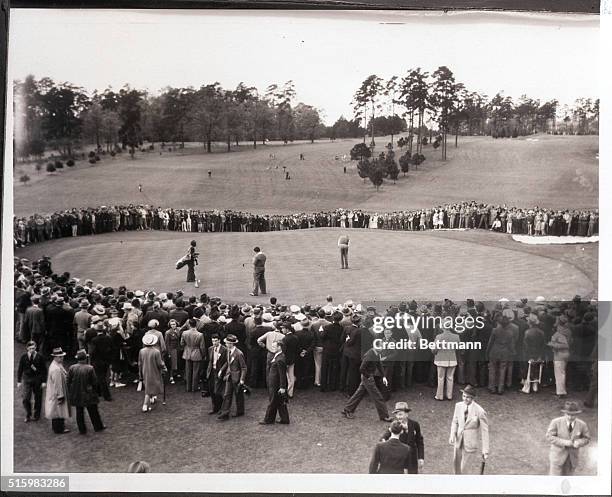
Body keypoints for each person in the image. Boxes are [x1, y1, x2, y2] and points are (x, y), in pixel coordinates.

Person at [341, 346, 392, 421]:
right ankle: (384, 416)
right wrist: (368, 377)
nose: (383, 349)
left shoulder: (376, 353)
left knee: (358, 394)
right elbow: (361, 368)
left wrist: (383, 377)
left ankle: (347, 409)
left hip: (367, 377)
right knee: (378, 397)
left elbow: (379, 365)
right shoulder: (370, 355)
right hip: (367, 377)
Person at [449, 385, 489, 474]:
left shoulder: (480, 411)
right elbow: (454, 421)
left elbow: (485, 432)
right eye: (463, 396)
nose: (465, 399)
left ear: (473, 398)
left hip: (470, 444)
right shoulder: (458, 406)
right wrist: (452, 434)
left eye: (468, 397)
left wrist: (485, 450)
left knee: (464, 470)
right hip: (458, 441)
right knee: (456, 467)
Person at [546, 401, 591, 475]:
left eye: (573, 415)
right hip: (557, 457)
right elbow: (549, 436)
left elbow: (586, 438)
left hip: (572, 459)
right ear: (564, 413)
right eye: (568, 414)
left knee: (568, 480)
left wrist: (579, 442)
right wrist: (565, 442)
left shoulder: (582, 424)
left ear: (577, 414)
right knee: (554, 480)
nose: (570, 417)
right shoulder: (555, 422)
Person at [67, 349, 106, 434]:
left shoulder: (72, 368)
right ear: (85, 358)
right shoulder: (90, 368)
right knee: (93, 411)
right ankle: (98, 426)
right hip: (88, 393)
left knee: (79, 412)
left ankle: (82, 429)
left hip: (77, 393)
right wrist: (97, 392)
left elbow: (68, 381)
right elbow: (95, 382)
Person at [380, 402, 425, 474]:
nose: (398, 417)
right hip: (398, 460)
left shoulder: (415, 425)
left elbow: (419, 442)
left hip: (411, 459)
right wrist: (384, 442)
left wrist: (421, 457)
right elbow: (383, 438)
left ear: (407, 414)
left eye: (400, 414)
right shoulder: (394, 425)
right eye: (396, 414)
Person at [259, 336, 290, 425]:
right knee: (280, 401)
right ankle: (284, 419)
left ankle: (268, 419)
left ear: (279, 347)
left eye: (274, 346)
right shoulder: (279, 356)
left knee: (272, 402)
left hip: (276, 384)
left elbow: (282, 374)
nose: (272, 348)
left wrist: (282, 387)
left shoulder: (280, 359)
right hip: (275, 383)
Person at [217, 334, 247, 421]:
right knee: (227, 394)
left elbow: (244, 368)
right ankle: (225, 413)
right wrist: (221, 370)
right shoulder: (228, 351)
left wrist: (242, 379)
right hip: (229, 376)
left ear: (231, 344)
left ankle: (240, 411)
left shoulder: (239, 354)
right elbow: (228, 362)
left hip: (237, 378)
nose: (225, 344)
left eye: (227, 343)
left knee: (238, 395)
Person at [17, 341, 47, 422]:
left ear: (36, 347)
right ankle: (28, 414)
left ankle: (36, 415)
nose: (32, 350)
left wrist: (44, 381)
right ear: (27, 348)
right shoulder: (24, 357)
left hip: (37, 379)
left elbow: (44, 370)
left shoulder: (40, 357)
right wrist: (19, 381)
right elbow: (20, 369)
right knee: (26, 398)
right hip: (27, 379)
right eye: (30, 348)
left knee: (38, 398)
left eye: (33, 348)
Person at [45, 347, 71, 434]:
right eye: (60, 357)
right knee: (58, 411)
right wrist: (60, 395)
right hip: (57, 393)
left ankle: (57, 427)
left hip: (54, 392)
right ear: (55, 357)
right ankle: (59, 428)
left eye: (62, 356)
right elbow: (58, 383)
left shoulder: (56, 365)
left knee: (56, 410)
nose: (62, 358)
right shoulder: (56, 369)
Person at [138, 334, 167, 412]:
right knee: (150, 388)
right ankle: (145, 404)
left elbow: (140, 363)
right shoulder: (156, 352)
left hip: (145, 370)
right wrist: (164, 368)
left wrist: (140, 372)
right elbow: (160, 363)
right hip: (154, 371)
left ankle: (152, 398)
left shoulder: (141, 351)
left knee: (149, 385)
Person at [181, 318, 205, 392]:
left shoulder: (184, 333)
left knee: (188, 371)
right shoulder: (200, 335)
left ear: (189, 324)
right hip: (197, 352)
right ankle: (194, 387)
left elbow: (182, 344)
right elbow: (202, 347)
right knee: (196, 371)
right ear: (196, 324)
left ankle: (188, 387)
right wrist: (203, 354)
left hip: (187, 352)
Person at [206, 334, 227, 415]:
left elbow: (226, 362)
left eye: (215, 341)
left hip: (219, 372)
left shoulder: (224, 349)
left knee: (218, 391)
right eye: (213, 341)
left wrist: (221, 370)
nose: (214, 343)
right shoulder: (210, 349)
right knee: (212, 391)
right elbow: (210, 361)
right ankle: (215, 408)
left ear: (219, 340)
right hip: (212, 371)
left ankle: (221, 408)